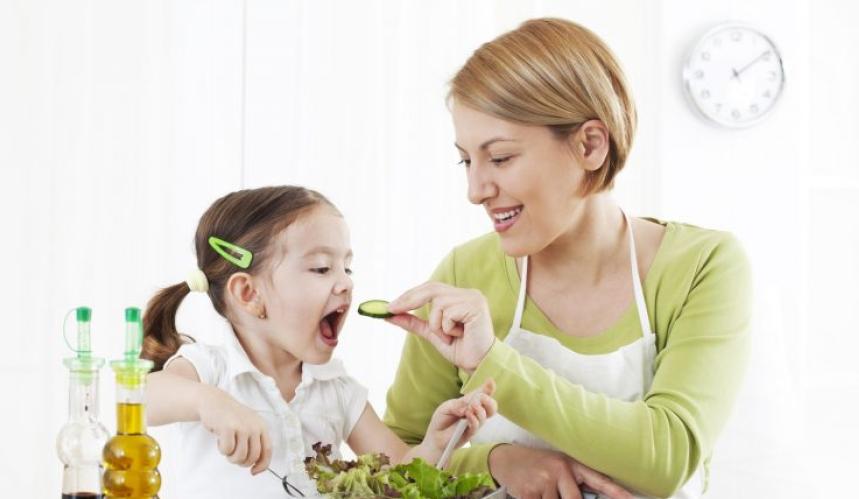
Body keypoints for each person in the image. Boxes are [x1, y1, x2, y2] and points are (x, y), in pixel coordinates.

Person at [382, 18, 752, 499]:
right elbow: (395, 463)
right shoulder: (464, 275)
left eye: (500, 158)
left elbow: (668, 458)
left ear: (589, 145)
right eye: (466, 160)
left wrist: (492, 362)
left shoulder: (701, 267)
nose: (475, 190)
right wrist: (497, 462)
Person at [141, 186, 497, 497]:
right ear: (249, 293)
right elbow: (140, 396)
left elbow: (399, 476)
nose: (345, 283)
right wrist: (210, 402)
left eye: (347, 268)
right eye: (322, 269)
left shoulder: (336, 389)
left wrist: (436, 441)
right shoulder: (211, 369)